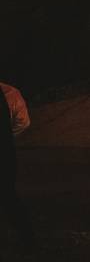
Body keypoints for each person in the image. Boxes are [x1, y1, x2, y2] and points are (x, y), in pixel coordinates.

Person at [1, 81, 33, 248]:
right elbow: (23, 123)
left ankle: (25, 236)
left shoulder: (10, 93)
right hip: (5, 152)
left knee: (8, 195)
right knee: (8, 194)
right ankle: (26, 237)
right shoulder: (10, 93)